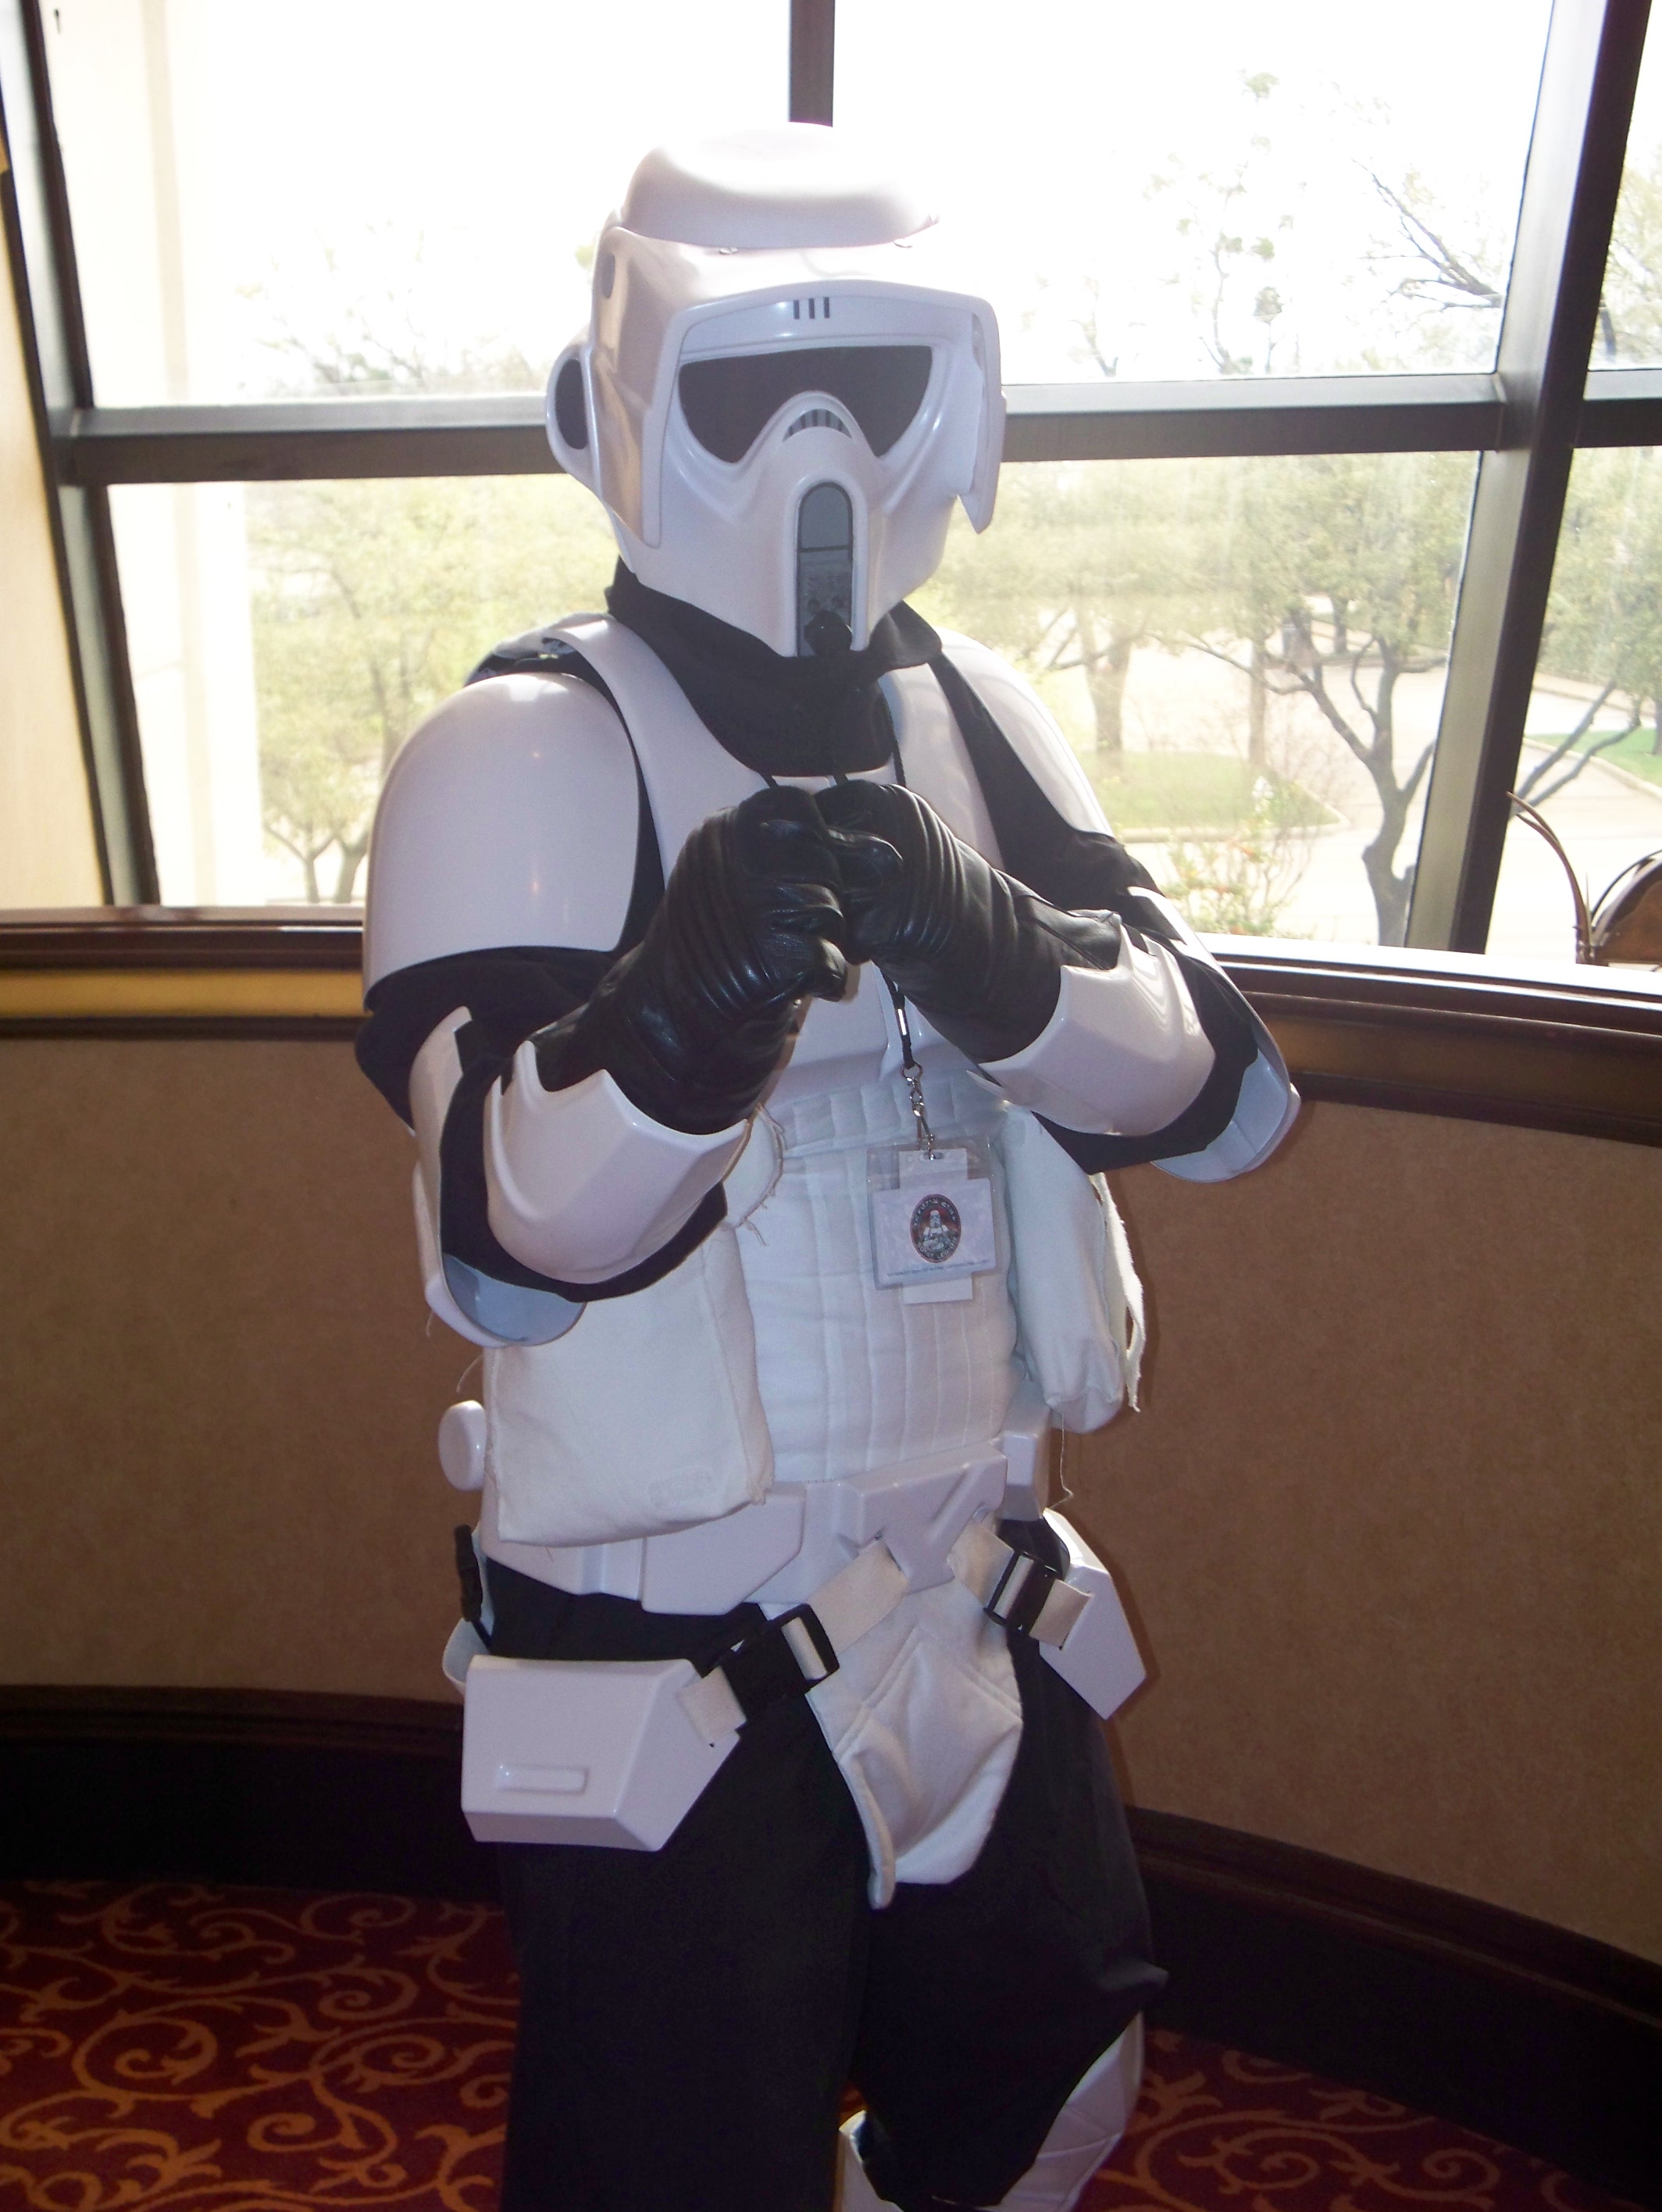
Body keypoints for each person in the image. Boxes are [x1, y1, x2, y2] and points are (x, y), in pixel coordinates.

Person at [357, 125, 1296, 2212]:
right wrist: (672, 1025)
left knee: (1051, 2096)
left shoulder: (981, 721)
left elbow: (1220, 1091)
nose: (821, 453)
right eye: (755, 387)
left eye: (871, 385)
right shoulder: (524, 754)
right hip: (675, 1641)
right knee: (671, 2169)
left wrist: (1001, 953)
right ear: (610, 408)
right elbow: (510, 1232)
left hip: (975, 1590)